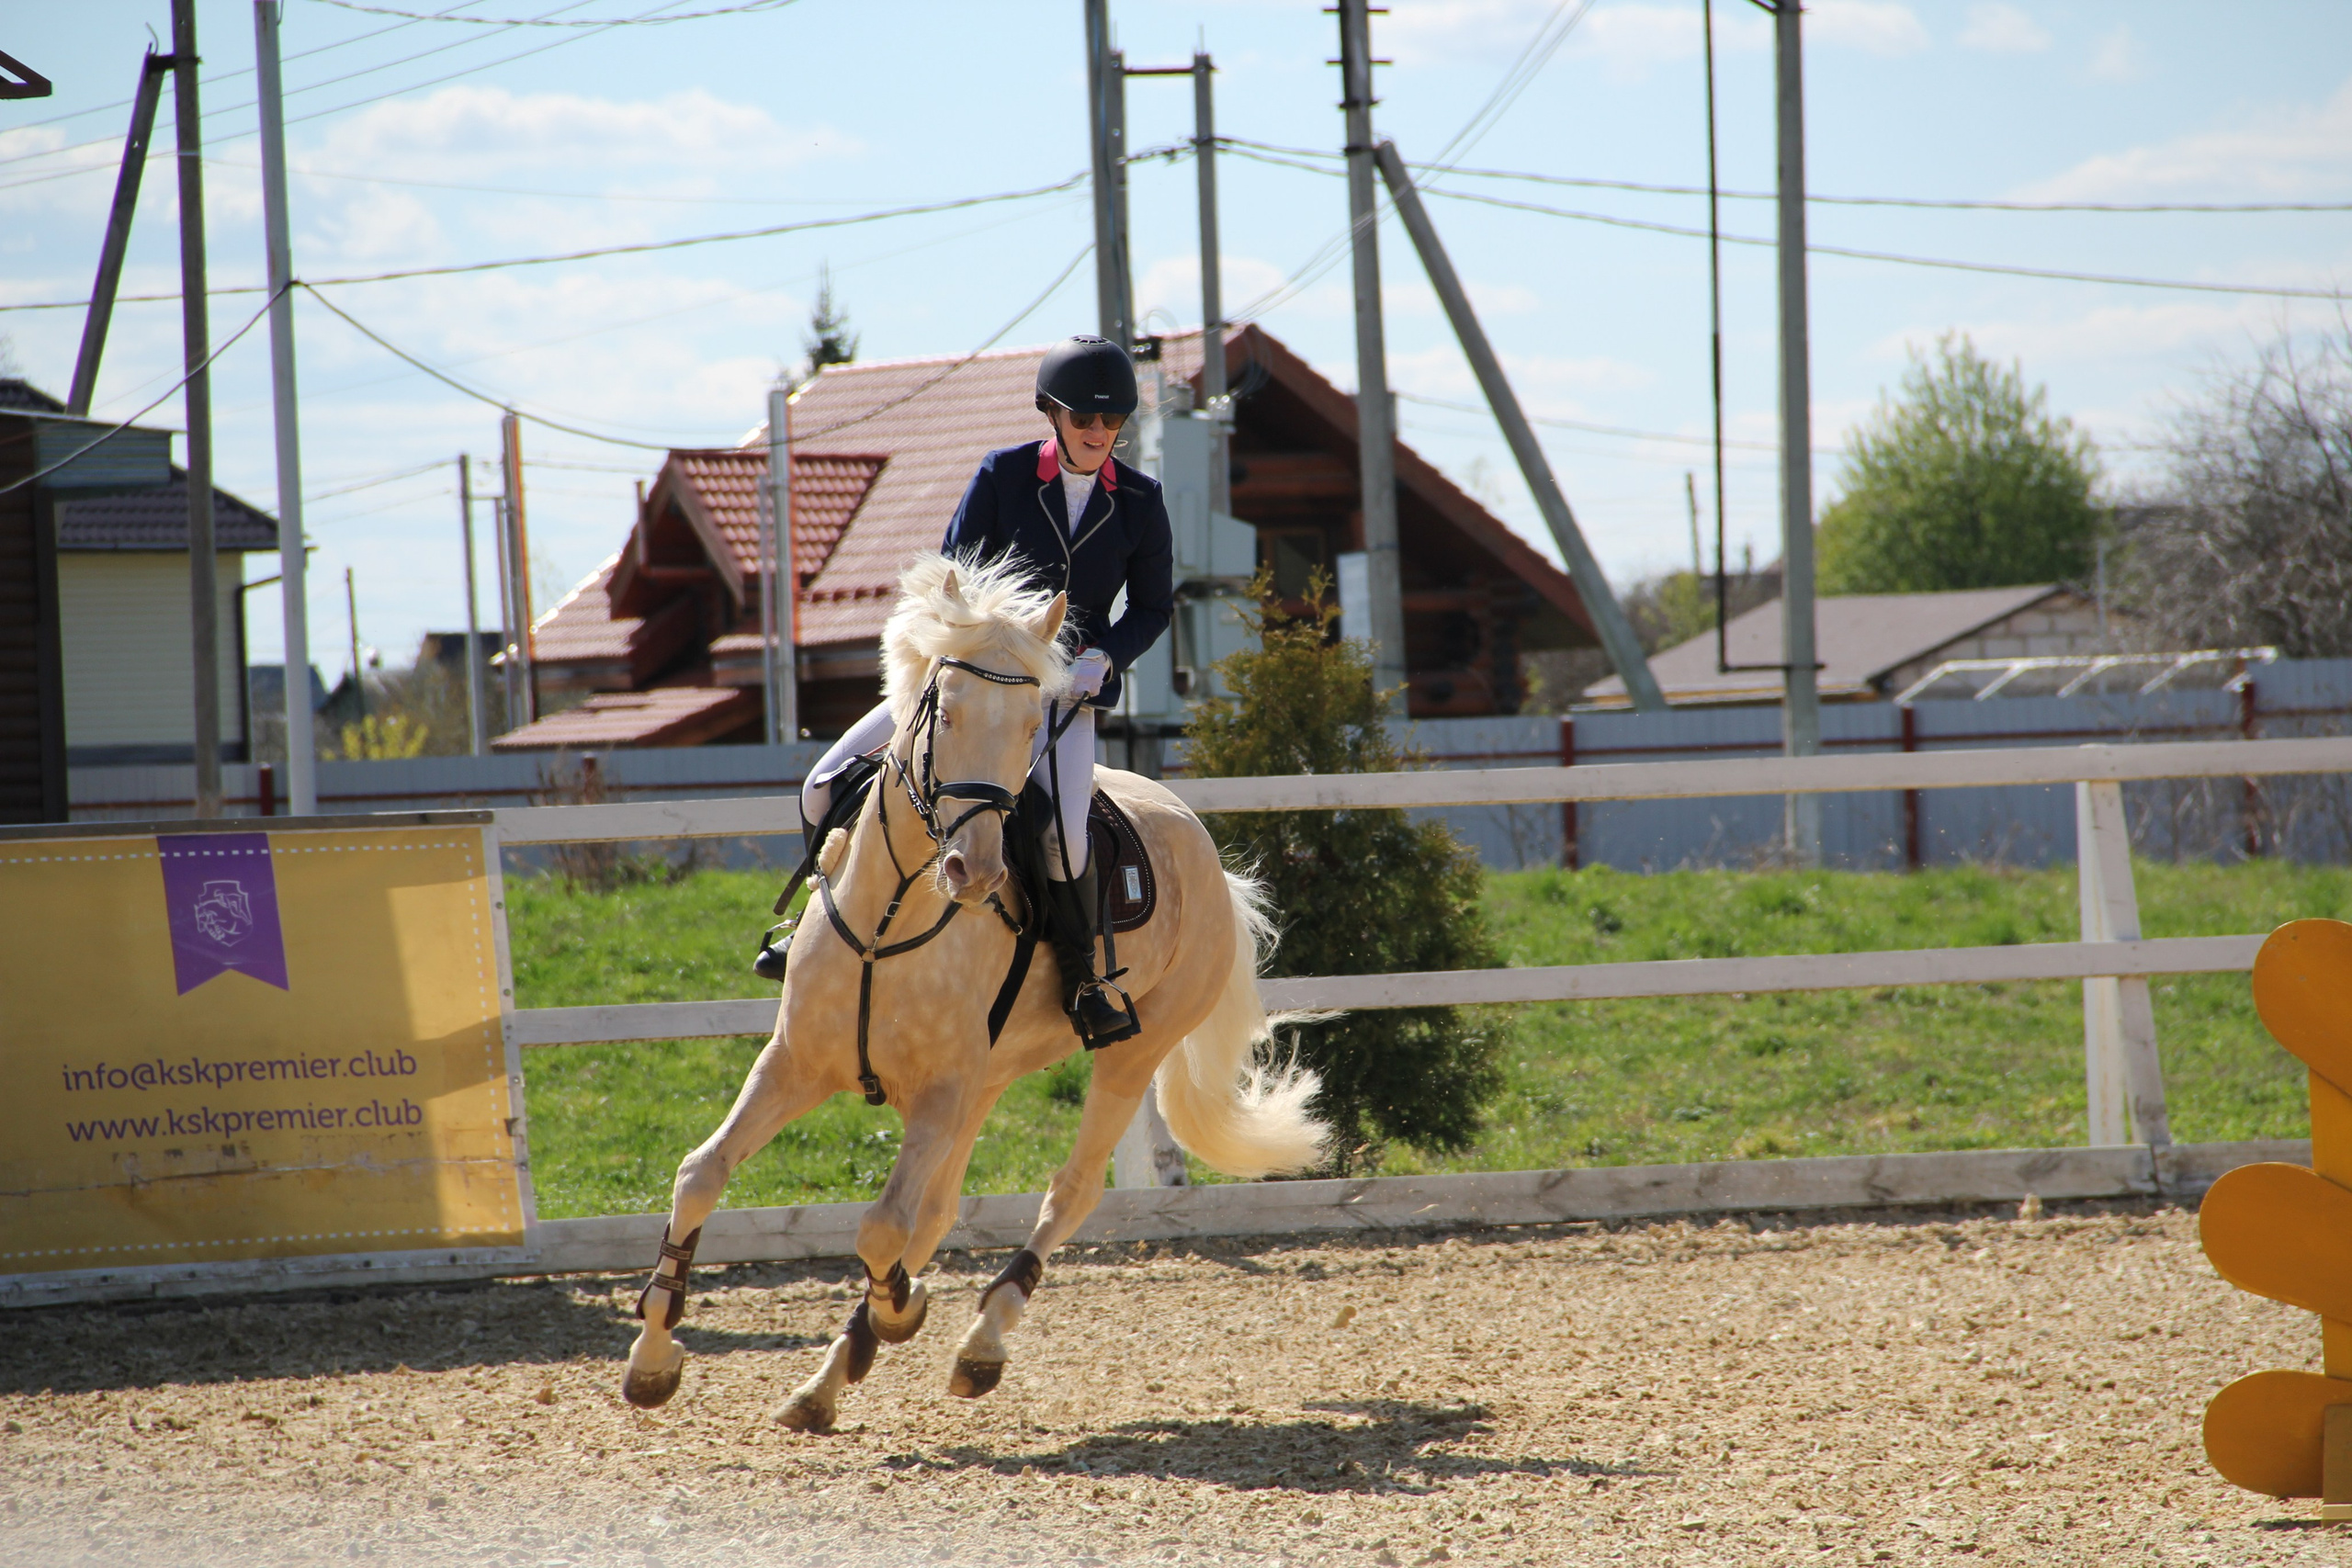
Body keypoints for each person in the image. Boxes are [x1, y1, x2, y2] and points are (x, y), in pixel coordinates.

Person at [797, 334, 1173, 1047]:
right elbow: (954, 579)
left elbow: (1153, 607)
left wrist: (1105, 656)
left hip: (1057, 699)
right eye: (1084, 420)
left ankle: (1085, 977)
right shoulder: (1001, 476)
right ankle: (813, 934)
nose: (1098, 434)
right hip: (968, 691)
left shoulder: (1141, 502)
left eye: (1110, 422)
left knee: (1063, 839)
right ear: (1052, 415)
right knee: (821, 787)